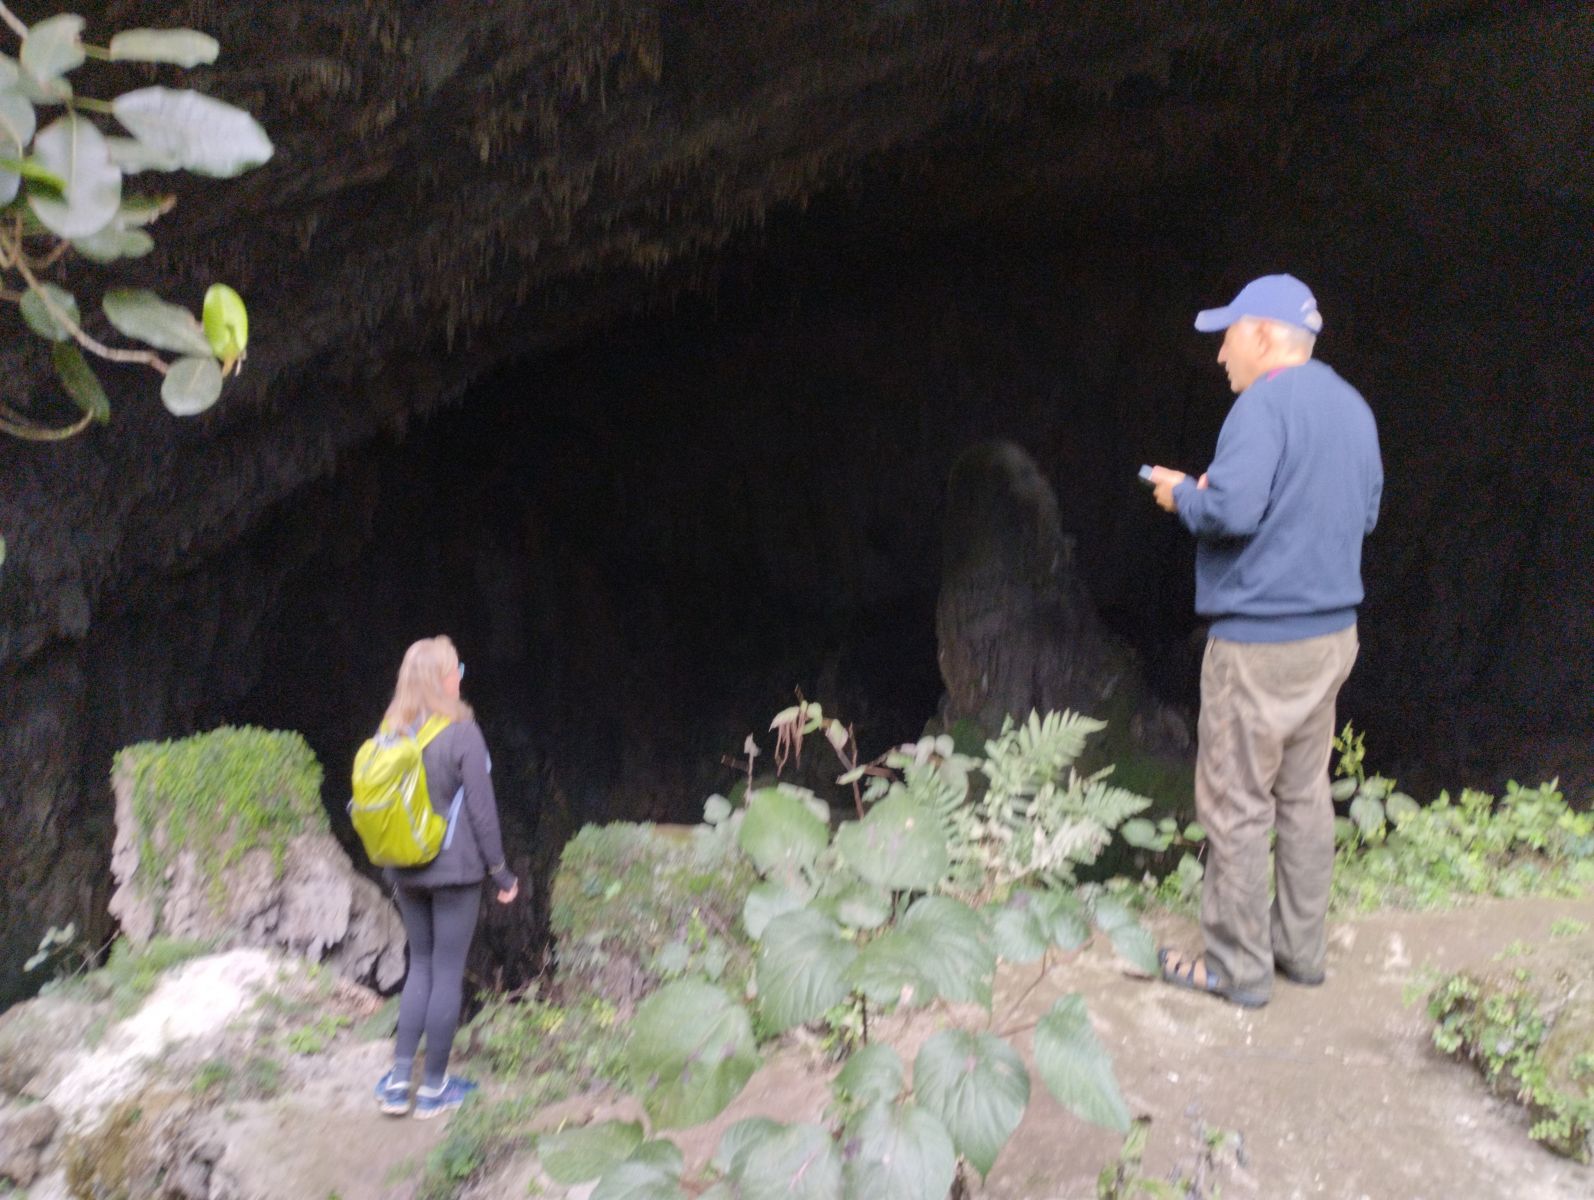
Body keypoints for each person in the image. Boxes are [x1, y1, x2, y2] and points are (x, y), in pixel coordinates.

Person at [1146, 274, 1382, 1008]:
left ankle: (1237, 969)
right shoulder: (1351, 407)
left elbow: (1234, 513)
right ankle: (1299, 952)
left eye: (1228, 336)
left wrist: (1184, 495)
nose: (1220, 355)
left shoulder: (1262, 407)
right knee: (1304, 796)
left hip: (1260, 646)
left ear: (1263, 336)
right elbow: (1363, 513)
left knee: (1238, 801)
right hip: (1331, 636)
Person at [372, 636, 518, 1117]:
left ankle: (397, 1083)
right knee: (447, 973)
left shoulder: (391, 732)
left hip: (406, 870)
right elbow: (482, 810)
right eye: (456, 665)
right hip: (455, 872)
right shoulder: (462, 733)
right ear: (444, 679)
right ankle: (434, 1088)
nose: (461, 672)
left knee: (421, 966)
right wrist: (501, 873)